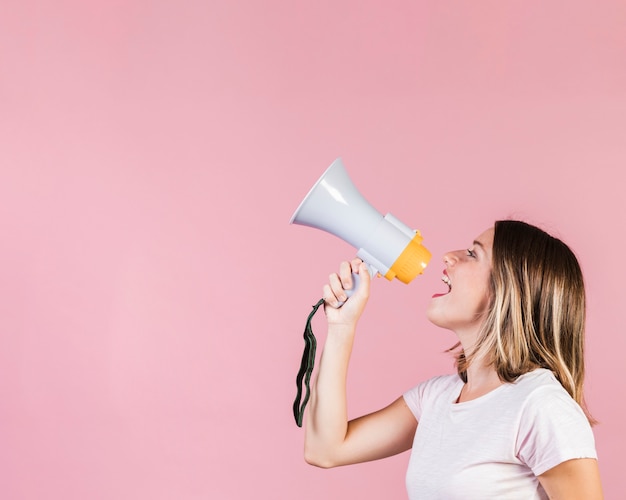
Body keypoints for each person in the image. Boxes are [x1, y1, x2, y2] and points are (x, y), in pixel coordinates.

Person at [303, 220, 603, 499]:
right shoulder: (434, 398)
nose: (448, 256)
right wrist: (341, 326)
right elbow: (325, 450)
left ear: (509, 290)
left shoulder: (541, 406)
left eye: (473, 254)